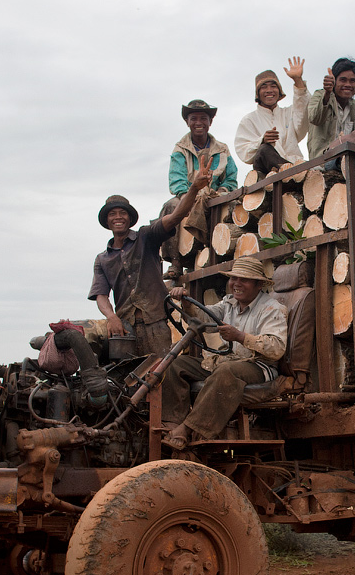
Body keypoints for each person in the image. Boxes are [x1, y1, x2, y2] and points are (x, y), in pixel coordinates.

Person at [89, 154, 214, 358]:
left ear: (129, 218)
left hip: (155, 323)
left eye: (122, 213)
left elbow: (175, 217)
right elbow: (101, 294)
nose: (118, 217)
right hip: (125, 327)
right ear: (107, 221)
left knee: (159, 372)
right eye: (112, 214)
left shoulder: (146, 237)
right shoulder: (102, 259)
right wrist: (111, 317)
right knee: (127, 374)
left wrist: (193, 188)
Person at [160, 257, 287, 451]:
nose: (236, 284)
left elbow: (276, 348)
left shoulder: (271, 309)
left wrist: (240, 337)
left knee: (226, 371)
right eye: (234, 278)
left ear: (258, 284)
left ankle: (188, 429)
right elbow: (203, 318)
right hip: (229, 361)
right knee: (177, 365)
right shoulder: (229, 303)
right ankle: (171, 424)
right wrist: (186, 303)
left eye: (244, 280)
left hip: (260, 366)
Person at [165, 99, 238, 243]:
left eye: (203, 118)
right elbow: (177, 180)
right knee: (171, 206)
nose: (198, 123)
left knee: (235, 205)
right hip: (189, 196)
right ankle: (174, 255)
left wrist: (221, 191)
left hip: (216, 195)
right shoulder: (180, 149)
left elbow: (231, 177)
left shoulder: (222, 149)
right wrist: (188, 197)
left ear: (210, 122)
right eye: (194, 119)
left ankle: (223, 246)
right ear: (187, 122)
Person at [234, 58, 311, 175]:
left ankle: (292, 171)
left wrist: (298, 81)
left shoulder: (289, 113)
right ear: (258, 93)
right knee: (264, 150)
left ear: (279, 91)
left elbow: (303, 109)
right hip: (267, 173)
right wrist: (262, 140)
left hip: (294, 166)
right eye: (264, 87)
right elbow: (243, 152)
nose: (269, 90)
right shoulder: (249, 120)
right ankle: (288, 172)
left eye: (273, 86)